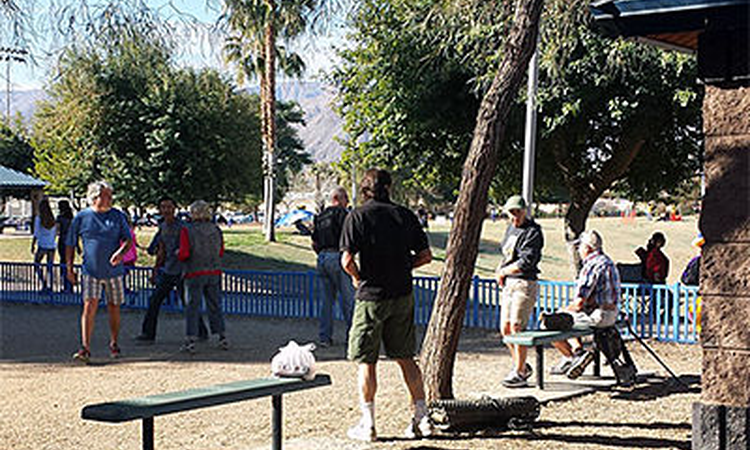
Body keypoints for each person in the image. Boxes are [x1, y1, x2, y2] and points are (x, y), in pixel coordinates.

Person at [340, 168, 433, 442]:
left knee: (366, 361)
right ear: (389, 188)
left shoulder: (356, 216)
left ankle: (368, 424)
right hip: (402, 294)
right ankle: (422, 418)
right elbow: (426, 256)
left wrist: (358, 278)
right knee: (406, 358)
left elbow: (346, 261)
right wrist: (405, 266)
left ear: (365, 189)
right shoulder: (405, 215)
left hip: (371, 296)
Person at [67, 181, 132, 363]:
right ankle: (85, 347)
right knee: (89, 305)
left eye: (111, 196)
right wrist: (70, 267)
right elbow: (70, 243)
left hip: (114, 271)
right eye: (107, 195)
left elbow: (128, 240)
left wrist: (121, 253)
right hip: (90, 270)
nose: (110, 199)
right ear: (95, 197)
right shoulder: (82, 217)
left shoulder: (118, 216)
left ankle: (114, 342)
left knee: (114, 306)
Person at [134, 197, 207, 344]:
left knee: (188, 304)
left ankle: (201, 332)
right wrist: (155, 269)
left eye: (169, 207)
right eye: (163, 207)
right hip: (168, 271)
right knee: (154, 301)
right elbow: (159, 250)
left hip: (183, 272)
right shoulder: (162, 227)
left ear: (175, 209)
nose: (166, 210)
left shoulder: (184, 227)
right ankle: (148, 334)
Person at [549, 230, 621, 379]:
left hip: (598, 316)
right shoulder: (608, 262)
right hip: (612, 315)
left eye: (580, 247)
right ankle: (575, 355)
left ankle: (575, 355)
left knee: (550, 323)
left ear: (587, 248)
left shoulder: (590, 266)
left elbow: (579, 303)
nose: (579, 250)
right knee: (568, 318)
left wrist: (562, 310)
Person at [496, 194, 544, 388]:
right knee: (505, 329)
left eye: (518, 212)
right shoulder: (510, 229)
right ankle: (521, 366)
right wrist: (501, 270)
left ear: (525, 211)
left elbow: (526, 261)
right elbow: (507, 255)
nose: (515, 216)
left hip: (524, 283)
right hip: (508, 283)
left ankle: (519, 371)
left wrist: (504, 271)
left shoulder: (533, 231)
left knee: (517, 326)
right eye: (511, 212)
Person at [178, 200, 227, 353]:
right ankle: (222, 337)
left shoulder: (187, 230)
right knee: (215, 305)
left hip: (194, 271)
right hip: (214, 271)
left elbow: (184, 253)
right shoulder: (216, 229)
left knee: (193, 307)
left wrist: (177, 254)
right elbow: (221, 251)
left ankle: (190, 339)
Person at [311, 187, 354, 348]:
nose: (347, 202)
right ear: (339, 198)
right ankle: (352, 337)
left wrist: (321, 255)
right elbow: (349, 238)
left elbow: (314, 242)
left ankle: (325, 337)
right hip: (338, 256)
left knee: (326, 302)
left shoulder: (320, 216)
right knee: (348, 299)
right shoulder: (344, 214)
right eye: (346, 198)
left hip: (322, 257)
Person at [31, 197, 57, 291]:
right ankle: (50, 285)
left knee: (37, 264)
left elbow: (36, 233)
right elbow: (55, 233)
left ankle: (44, 283)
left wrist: (33, 245)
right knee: (50, 266)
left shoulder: (39, 218)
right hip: (52, 245)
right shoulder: (52, 219)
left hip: (42, 244)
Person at [56, 200, 75, 292]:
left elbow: (57, 230)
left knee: (63, 263)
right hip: (72, 241)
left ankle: (65, 285)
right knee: (70, 263)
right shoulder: (72, 218)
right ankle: (70, 285)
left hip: (63, 241)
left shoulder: (60, 218)